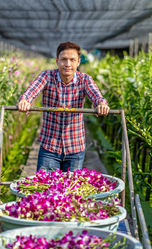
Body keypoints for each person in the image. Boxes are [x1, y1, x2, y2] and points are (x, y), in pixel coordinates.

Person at [18, 41, 110, 172]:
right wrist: (25, 100)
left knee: (70, 189)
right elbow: (32, 90)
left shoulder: (85, 79)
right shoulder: (47, 76)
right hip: (50, 146)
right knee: (46, 187)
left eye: (72, 60)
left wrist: (101, 104)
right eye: (64, 60)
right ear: (57, 61)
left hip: (75, 148)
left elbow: (95, 94)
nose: (67, 64)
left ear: (78, 62)